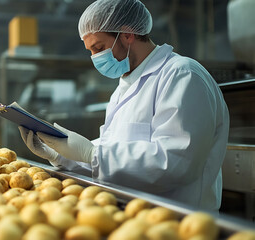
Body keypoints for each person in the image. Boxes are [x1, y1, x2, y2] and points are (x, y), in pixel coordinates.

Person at [19, 0, 229, 211]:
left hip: (180, 221)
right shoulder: (124, 88)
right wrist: (59, 155)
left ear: (127, 34)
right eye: (90, 51)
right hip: (133, 215)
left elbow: (175, 162)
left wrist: (91, 154)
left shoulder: (182, 75)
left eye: (99, 48)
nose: (95, 58)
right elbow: (110, 154)